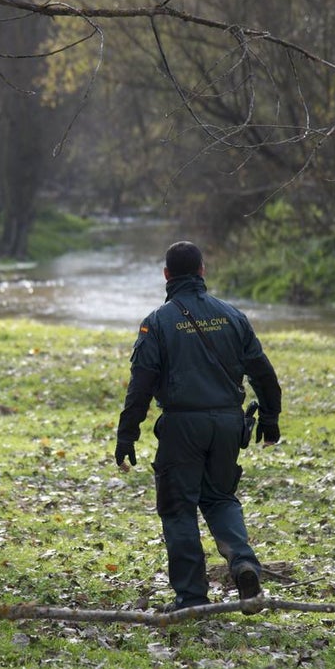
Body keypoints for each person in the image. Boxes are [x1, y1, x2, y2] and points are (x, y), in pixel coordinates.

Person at [114, 241, 282, 613]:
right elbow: (262, 372)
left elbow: (141, 384)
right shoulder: (233, 316)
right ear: (203, 271)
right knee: (220, 498)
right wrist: (270, 417)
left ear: (166, 276)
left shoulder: (156, 323)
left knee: (178, 510)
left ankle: (191, 598)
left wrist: (128, 433)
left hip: (181, 427)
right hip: (227, 424)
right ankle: (243, 564)